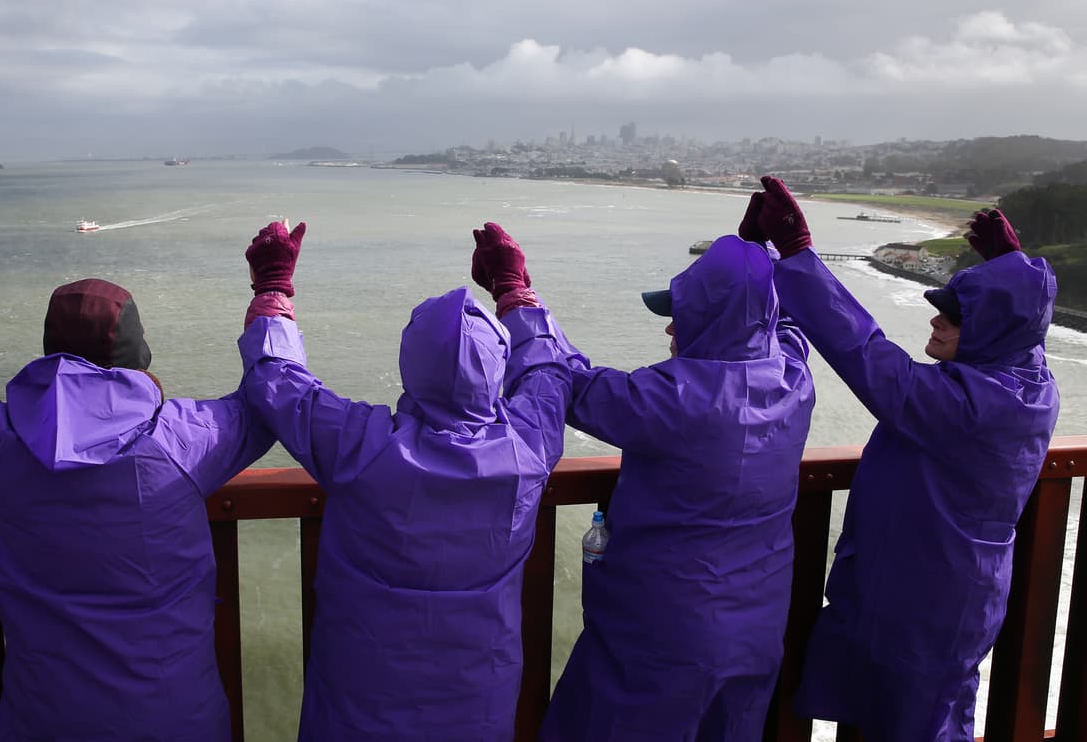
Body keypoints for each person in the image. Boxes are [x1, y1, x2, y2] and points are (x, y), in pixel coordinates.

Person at [0, 219, 275, 741]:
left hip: (43, 720)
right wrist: (272, 293)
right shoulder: (184, 440)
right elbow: (270, 399)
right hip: (176, 719)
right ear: (138, 354)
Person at [741, 179, 1060, 740]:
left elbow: (864, 354)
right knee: (927, 715)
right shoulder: (1028, 383)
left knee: (919, 726)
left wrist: (797, 257)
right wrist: (1011, 271)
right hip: (945, 589)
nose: (935, 320)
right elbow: (1021, 328)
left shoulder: (966, 404)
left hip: (927, 603)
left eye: (954, 317)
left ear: (992, 331)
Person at [237, 220, 578, 741]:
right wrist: (513, 289)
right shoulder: (527, 446)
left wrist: (274, 287)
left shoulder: (361, 444)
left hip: (363, 695)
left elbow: (277, 379)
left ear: (410, 362)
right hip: (478, 696)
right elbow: (549, 372)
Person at [535, 232, 818, 741]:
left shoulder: (670, 399)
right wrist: (766, 259)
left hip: (659, 640)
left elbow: (569, 381)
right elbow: (789, 323)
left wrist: (520, 300)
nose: (669, 327)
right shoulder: (794, 380)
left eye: (680, 314)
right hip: (753, 635)